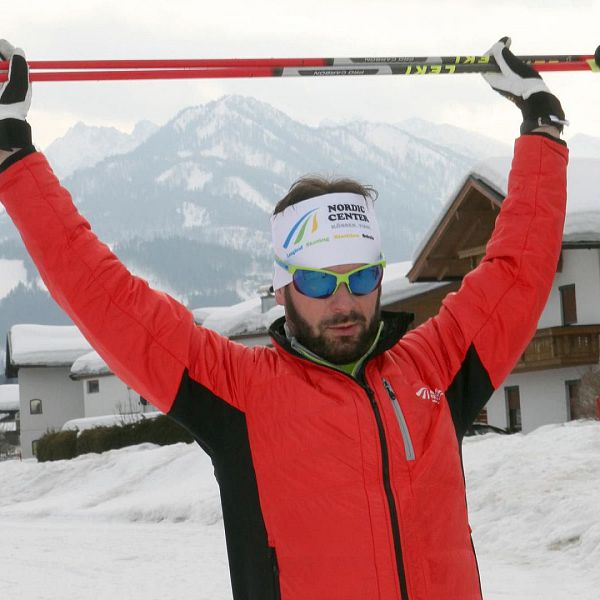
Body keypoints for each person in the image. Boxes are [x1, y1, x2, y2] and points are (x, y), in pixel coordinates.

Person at [0, 37, 568, 600]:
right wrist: (14, 159)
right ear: (284, 287)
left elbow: (516, 273)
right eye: (319, 281)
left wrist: (541, 129)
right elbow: (105, 296)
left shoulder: (435, 372)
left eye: (362, 278)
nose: (343, 303)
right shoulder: (241, 393)